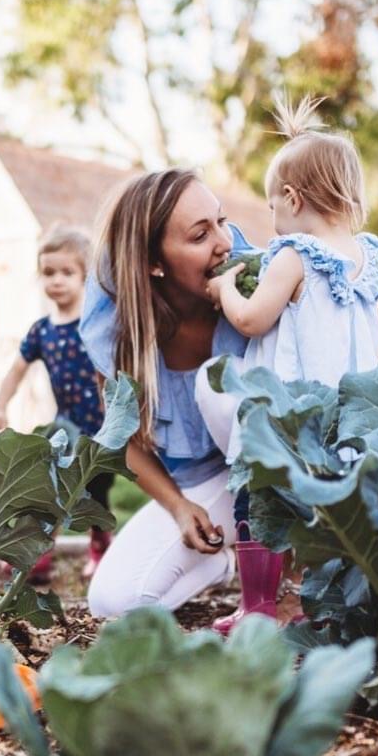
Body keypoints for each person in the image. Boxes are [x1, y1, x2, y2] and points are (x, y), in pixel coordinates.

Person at [197, 94, 378, 634]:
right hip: (348, 417)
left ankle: (258, 605)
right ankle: (317, 602)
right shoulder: (364, 258)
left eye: (272, 207)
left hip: (287, 415)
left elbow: (254, 321)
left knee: (256, 498)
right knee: (327, 511)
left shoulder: (294, 256)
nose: (272, 220)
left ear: (290, 196)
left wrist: (225, 289)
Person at [81, 168, 261, 618]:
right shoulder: (119, 333)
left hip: (267, 476)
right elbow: (123, 440)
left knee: (217, 383)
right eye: (200, 235)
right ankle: (220, 555)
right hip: (200, 486)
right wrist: (179, 507)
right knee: (111, 602)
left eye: (221, 221)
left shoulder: (256, 296)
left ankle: (270, 561)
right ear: (154, 263)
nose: (224, 242)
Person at [0, 225, 112, 579]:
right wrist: (0, 406)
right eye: (48, 272)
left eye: (67, 272)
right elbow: (15, 371)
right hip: (64, 427)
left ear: (85, 277)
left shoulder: (94, 324)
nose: (57, 280)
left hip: (100, 427)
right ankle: (36, 554)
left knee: (94, 493)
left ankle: (102, 548)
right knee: (50, 488)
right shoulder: (42, 330)